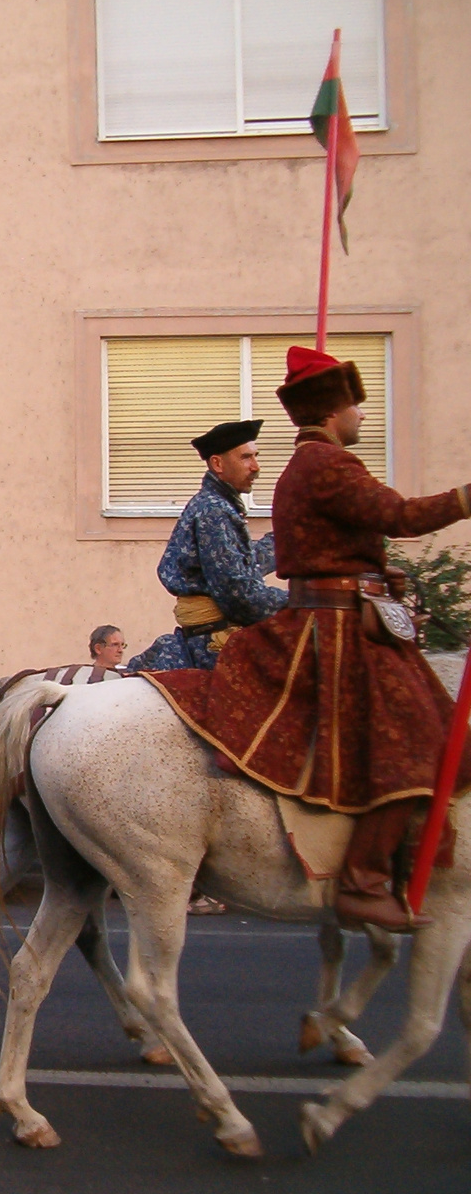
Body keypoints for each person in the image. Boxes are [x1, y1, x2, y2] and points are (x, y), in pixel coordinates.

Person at [143, 347, 471, 931]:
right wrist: (464, 499)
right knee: (411, 740)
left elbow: (306, 550)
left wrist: (372, 573)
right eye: (355, 406)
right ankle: (365, 878)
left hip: (339, 610)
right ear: (331, 411)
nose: (364, 417)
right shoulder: (320, 468)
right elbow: (394, 515)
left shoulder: (297, 476)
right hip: (317, 626)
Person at [127, 420, 287, 673]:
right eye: (246, 458)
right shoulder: (214, 511)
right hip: (214, 645)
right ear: (218, 464)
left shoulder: (217, 506)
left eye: (256, 456)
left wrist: (288, 538)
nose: (256, 467)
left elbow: (240, 565)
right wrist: (300, 602)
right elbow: (239, 595)